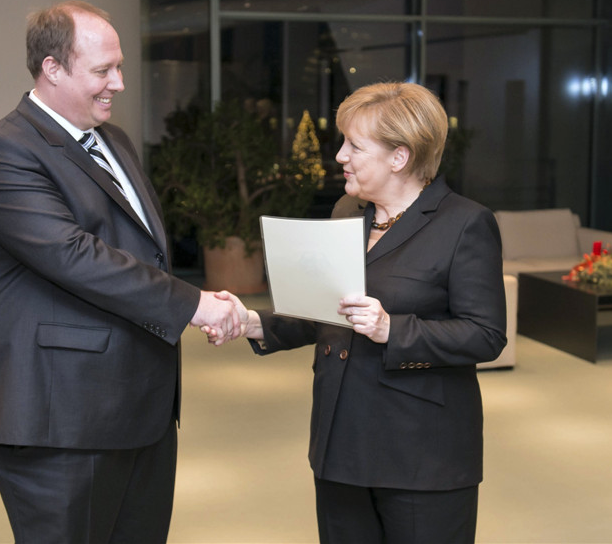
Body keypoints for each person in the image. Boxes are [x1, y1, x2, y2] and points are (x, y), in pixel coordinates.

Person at [0, 0, 241, 543]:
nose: (119, 82)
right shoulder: (1, 151)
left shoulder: (116, 142)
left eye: (119, 67)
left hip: (140, 409)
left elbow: (139, 251)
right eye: (103, 70)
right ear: (53, 69)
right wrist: (197, 304)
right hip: (61, 418)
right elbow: (74, 256)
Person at [208, 82, 507, 543]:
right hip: (340, 441)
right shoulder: (349, 210)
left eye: (354, 145)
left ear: (399, 157)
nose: (340, 156)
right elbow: (328, 304)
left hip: (421, 453)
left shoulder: (465, 223)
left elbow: (485, 334)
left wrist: (393, 329)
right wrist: (254, 322)